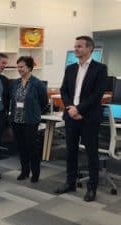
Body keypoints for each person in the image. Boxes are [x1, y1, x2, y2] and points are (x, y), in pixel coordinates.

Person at [55, 36, 107, 202]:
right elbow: (64, 91)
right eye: (75, 46)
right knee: (71, 151)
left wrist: (79, 109)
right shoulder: (70, 68)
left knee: (92, 153)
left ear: (89, 48)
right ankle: (70, 182)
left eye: (79, 46)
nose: (75, 49)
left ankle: (92, 188)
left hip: (88, 117)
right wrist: (70, 107)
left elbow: (97, 94)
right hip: (71, 116)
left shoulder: (100, 68)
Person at [10, 56, 48, 183]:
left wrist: (34, 112)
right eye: (18, 66)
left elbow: (44, 102)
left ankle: (35, 173)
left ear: (30, 67)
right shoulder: (15, 83)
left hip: (30, 121)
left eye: (22, 66)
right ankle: (24, 171)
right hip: (16, 120)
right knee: (21, 147)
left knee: (32, 148)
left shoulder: (38, 84)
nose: (19, 69)